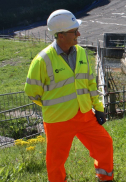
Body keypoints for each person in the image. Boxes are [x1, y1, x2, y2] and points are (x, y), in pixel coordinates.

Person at [24, 9, 113, 182]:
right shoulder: (42, 60)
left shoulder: (81, 52)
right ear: (61, 35)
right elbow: (32, 92)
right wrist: (51, 105)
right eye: (74, 31)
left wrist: (98, 108)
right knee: (55, 162)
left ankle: (105, 178)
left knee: (104, 144)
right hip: (57, 120)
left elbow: (90, 83)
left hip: (84, 114)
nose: (78, 34)